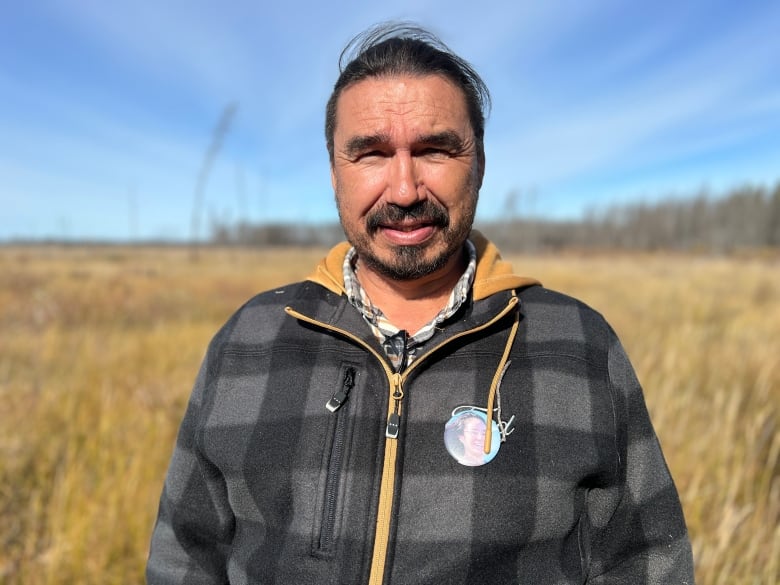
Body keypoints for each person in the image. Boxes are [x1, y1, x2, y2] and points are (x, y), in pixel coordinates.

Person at [146, 23, 695, 585]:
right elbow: (185, 558)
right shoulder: (250, 340)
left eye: (435, 149)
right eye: (372, 154)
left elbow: (647, 563)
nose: (405, 190)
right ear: (335, 173)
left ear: (478, 164)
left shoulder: (577, 345)